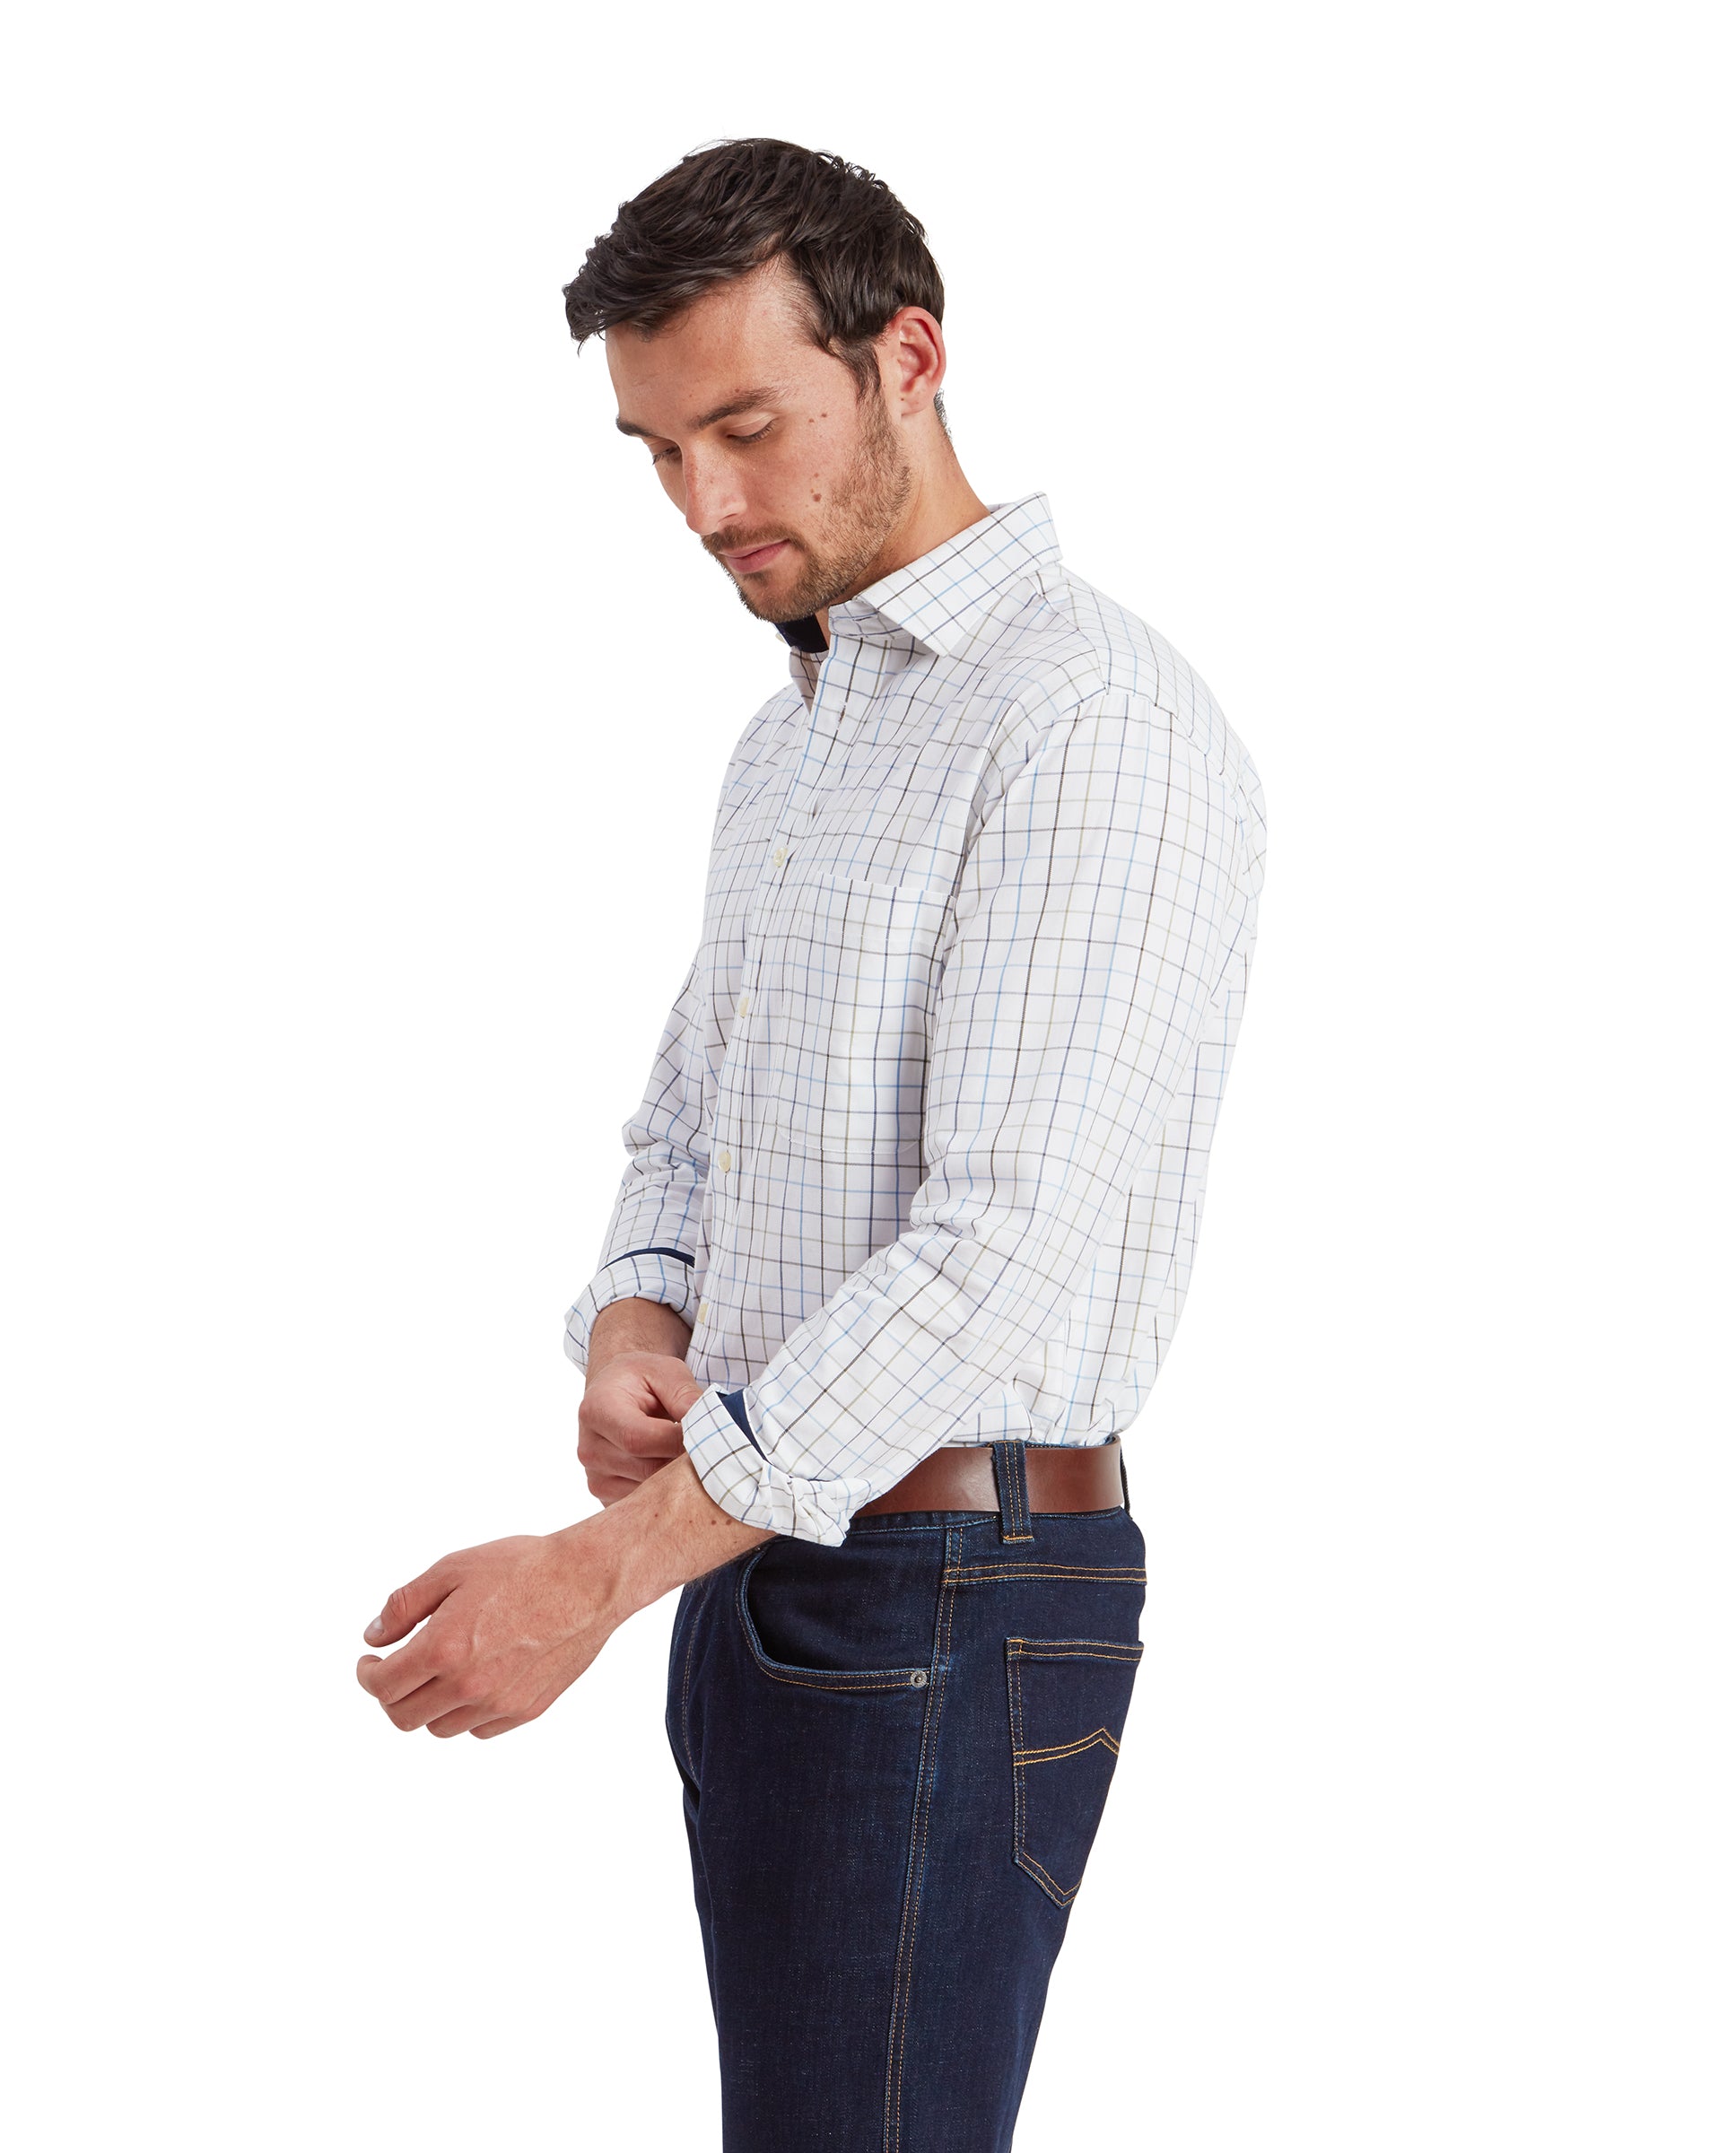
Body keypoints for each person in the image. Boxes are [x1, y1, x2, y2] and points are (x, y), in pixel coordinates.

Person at [356, 137, 1267, 2152]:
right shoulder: (801, 731)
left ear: (909, 357)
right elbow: (689, 1107)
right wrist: (636, 1315)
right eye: (657, 452)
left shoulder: (1083, 719)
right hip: (775, 1569)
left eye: (747, 429)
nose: (705, 505)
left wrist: (591, 1574)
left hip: (948, 1589)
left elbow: (994, 1256)